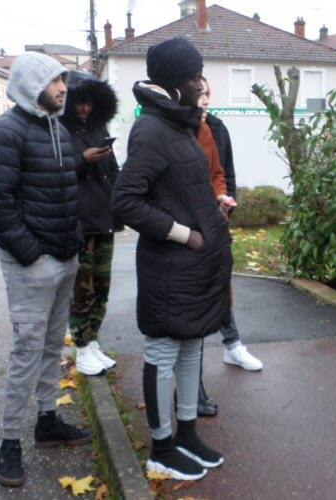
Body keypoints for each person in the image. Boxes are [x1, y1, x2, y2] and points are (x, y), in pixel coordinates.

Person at [112, 37, 231, 481]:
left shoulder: (178, 124)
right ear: (176, 81)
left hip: (194, 270)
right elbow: (125, 201)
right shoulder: (151, 129)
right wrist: (185, 235)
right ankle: (161, 447)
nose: (201, 84)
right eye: (196, 76)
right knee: (163, 353)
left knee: (191, 348)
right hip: (169, 268)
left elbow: (181, 190)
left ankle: (186, 434)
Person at [0, 52, 90, 487]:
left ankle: (47, 421)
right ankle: (10, 442)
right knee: (26, 352)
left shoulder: (57, 128)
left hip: (65, 259)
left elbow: (64, 192)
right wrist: (33, 257)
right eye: (54, 81)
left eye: (63, 79)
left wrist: (73, 246)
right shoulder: (4, 132)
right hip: (32, 265)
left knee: (51, 347)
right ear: (31, 84)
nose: (63, 88)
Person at [193, 76, 264, 417]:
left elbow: (226, 173)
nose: (204, 100)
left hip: (216, 218)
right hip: (188, 226)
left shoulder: (217, 128)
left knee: (222, 284)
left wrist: (226, 210)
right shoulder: (176, 129)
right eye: (199, 93)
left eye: (207, 93)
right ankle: (193, 381)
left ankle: (233, 345)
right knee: (194, 296)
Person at [60, 70, 123, 376]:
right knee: (81, 289)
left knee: (102, 286)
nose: (84, 108)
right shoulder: (58, 129)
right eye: (79, 102)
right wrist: (83, 159)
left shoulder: (99, 126)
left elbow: (113, 169)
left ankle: (93, 340)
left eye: (89, 103)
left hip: (104, 216)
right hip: (78, 221)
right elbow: (54, 173)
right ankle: (82, 345)